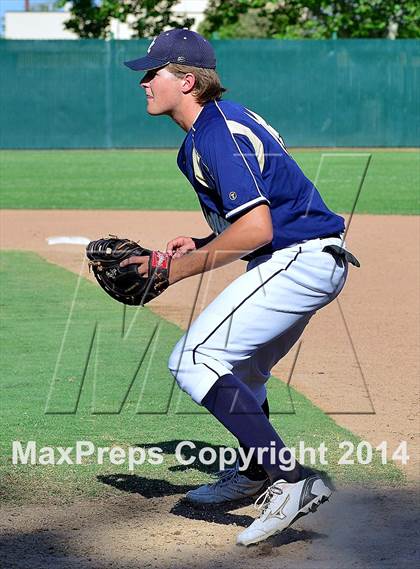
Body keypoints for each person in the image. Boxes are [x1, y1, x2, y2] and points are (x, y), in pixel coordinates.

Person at [122, 28, 358, 546]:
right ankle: (255, 472)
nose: (143, 81)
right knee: (242, 374)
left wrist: (169, 272)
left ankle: (292, 480)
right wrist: (204, 241)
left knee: (192, 360)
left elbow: (258, 229)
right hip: (307, 258)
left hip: (297, 259)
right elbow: (258, 212)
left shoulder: (215, 133)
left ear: (187, 80)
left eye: (153, 72)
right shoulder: (212, 131)